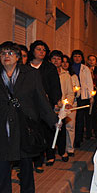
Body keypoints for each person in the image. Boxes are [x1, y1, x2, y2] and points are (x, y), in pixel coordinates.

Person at [0, 41, 67, 193]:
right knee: (1, 163)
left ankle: (28, 192)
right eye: (3, 53)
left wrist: (53, 120)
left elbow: (41, 99)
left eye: (10, 53)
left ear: (18, 57)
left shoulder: (31, 75)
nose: (6, 56)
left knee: (25, 158)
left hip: (24, 124)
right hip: (0, 126)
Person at [28, 40, 62, 171]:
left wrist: (54, 101)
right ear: (33, 51)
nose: (41, 52)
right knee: (34, 133)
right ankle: (37, 161)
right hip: (30, 105)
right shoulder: (26, 67)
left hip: (46, 105)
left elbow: (55, 87)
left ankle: (50, 154)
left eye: (43, 50)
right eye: (38, 49)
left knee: (46, 132)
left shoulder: (49, 67)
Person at [50, 50, 74, 162]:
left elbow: (70, 92)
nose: (56, 61)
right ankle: (50, 155)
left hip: (62, 107)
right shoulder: (46, 73)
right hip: (50, 106)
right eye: (54, 58)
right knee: (49, 130)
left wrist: (67, 103)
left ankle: (62, 151)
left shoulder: (66, 75)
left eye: (58, 59)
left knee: (62, 130)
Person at [71, 50, 94, 148]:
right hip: (72, 95)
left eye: (79, 56)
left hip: (83, 96)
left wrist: (90, 96)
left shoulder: (85, 68)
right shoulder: (70, 67)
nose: (77, 58)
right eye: (75, 56)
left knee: (80, 118)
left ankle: (78, 139)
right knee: (73, 118)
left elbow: (89, 82)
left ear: (82, 58)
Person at [62, 55, 79, 156]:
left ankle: (70, 148)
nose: (65, 64)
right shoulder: (58, 74)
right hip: (61, 104)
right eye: (63, 61)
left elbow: (78, 89)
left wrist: (76, 92)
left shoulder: (73, 76)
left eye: (67, 62)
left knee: (70, 126)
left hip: (72, 104)